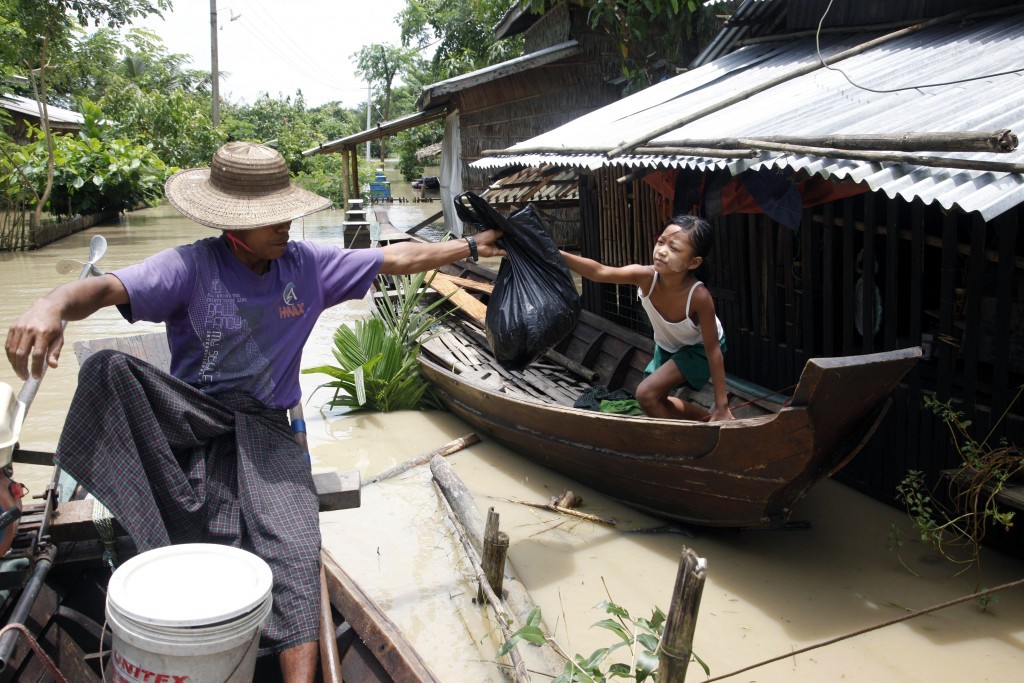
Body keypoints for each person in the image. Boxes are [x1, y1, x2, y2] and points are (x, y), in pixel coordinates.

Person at [4, 141, 504, 683]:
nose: (284, 225)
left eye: (286, 211)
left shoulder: (307, 266)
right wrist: (50, 303)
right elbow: (106, 287)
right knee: (106, 369)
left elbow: (397, 258)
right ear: (233, 226)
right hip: (193, 414)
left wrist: (471, 247)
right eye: (269, 218)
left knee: (292, 538)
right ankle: (160, 557)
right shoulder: (190, 265)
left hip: (267, 424)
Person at [560, 214, 734, 422]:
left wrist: (722, 405)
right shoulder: (645, 277)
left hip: (699, 350)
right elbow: (599, 272)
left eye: (674, 248)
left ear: (694, 262)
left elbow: (713, 350)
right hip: (668, 347)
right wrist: (554, 252)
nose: (661, 251)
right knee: (653, 399)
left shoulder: (698, 296)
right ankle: (706, 420)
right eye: (661, 242)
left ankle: (676, 438)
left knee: (645, 393)